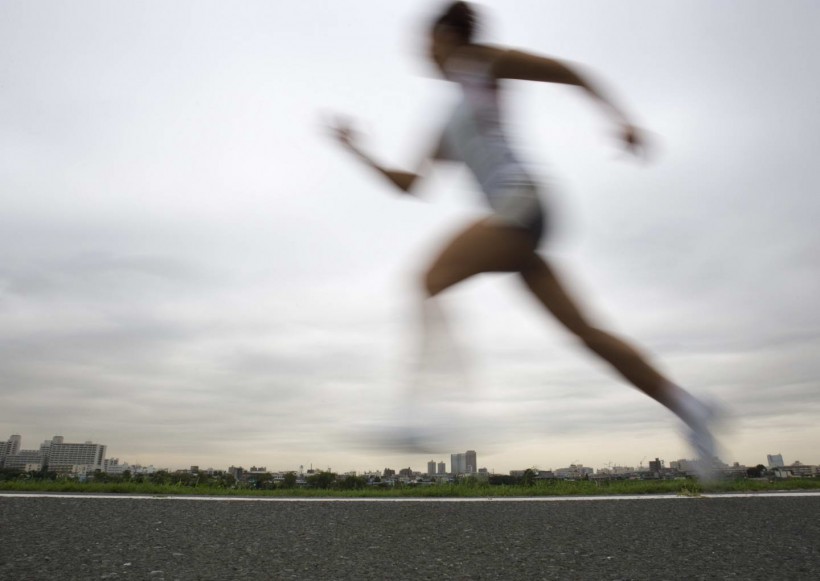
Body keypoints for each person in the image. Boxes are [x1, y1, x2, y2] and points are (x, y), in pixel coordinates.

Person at [330, 1, 721, 477]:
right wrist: (357, 150)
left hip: (523, 201)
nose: (423, 49)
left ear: (451, 37)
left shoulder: (482, 64)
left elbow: (570, 73)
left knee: (429, 278)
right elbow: (410, 184)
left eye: (428, 39)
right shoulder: (447, 119)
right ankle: (690, 408)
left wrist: (621, 120)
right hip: (516, 221)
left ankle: (425, 411)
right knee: (584, 332)